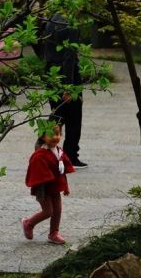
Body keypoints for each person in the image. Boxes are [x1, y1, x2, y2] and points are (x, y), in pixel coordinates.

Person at [43, 14, 87, 168]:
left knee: (58, 114)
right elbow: (69, 57)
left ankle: (43, 149)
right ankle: (70, 155)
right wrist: (69, 87)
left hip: (51, 72)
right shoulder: (72, 25)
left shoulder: (51, 20)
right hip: (68, 76)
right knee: (73, 119)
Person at [22, 123, 74, 244]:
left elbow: (62, 171)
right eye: (51, 134)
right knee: (48, 211)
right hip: (43, 187)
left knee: (58, 210)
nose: (55, 137)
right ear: (43, 137)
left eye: (57, 134)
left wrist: (65, 186)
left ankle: (54, 233)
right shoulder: (39, 155)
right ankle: (28, 223)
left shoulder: (59, 151)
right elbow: (37, 173)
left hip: (55, 186)